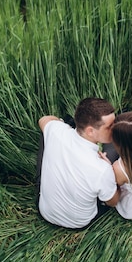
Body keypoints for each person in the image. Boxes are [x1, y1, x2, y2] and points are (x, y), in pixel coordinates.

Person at [35, 97, 120, 229]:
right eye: (109, 126)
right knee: (115, 145)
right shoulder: (102, 169)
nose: (114, 128)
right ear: (90, 131)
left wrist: (62, 124)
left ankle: (69, 122)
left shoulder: (57, 131)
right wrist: (112, 171)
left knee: (47, 132)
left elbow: (43, 120)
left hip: (45, 212)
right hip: (78, 222)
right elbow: (113, 202)